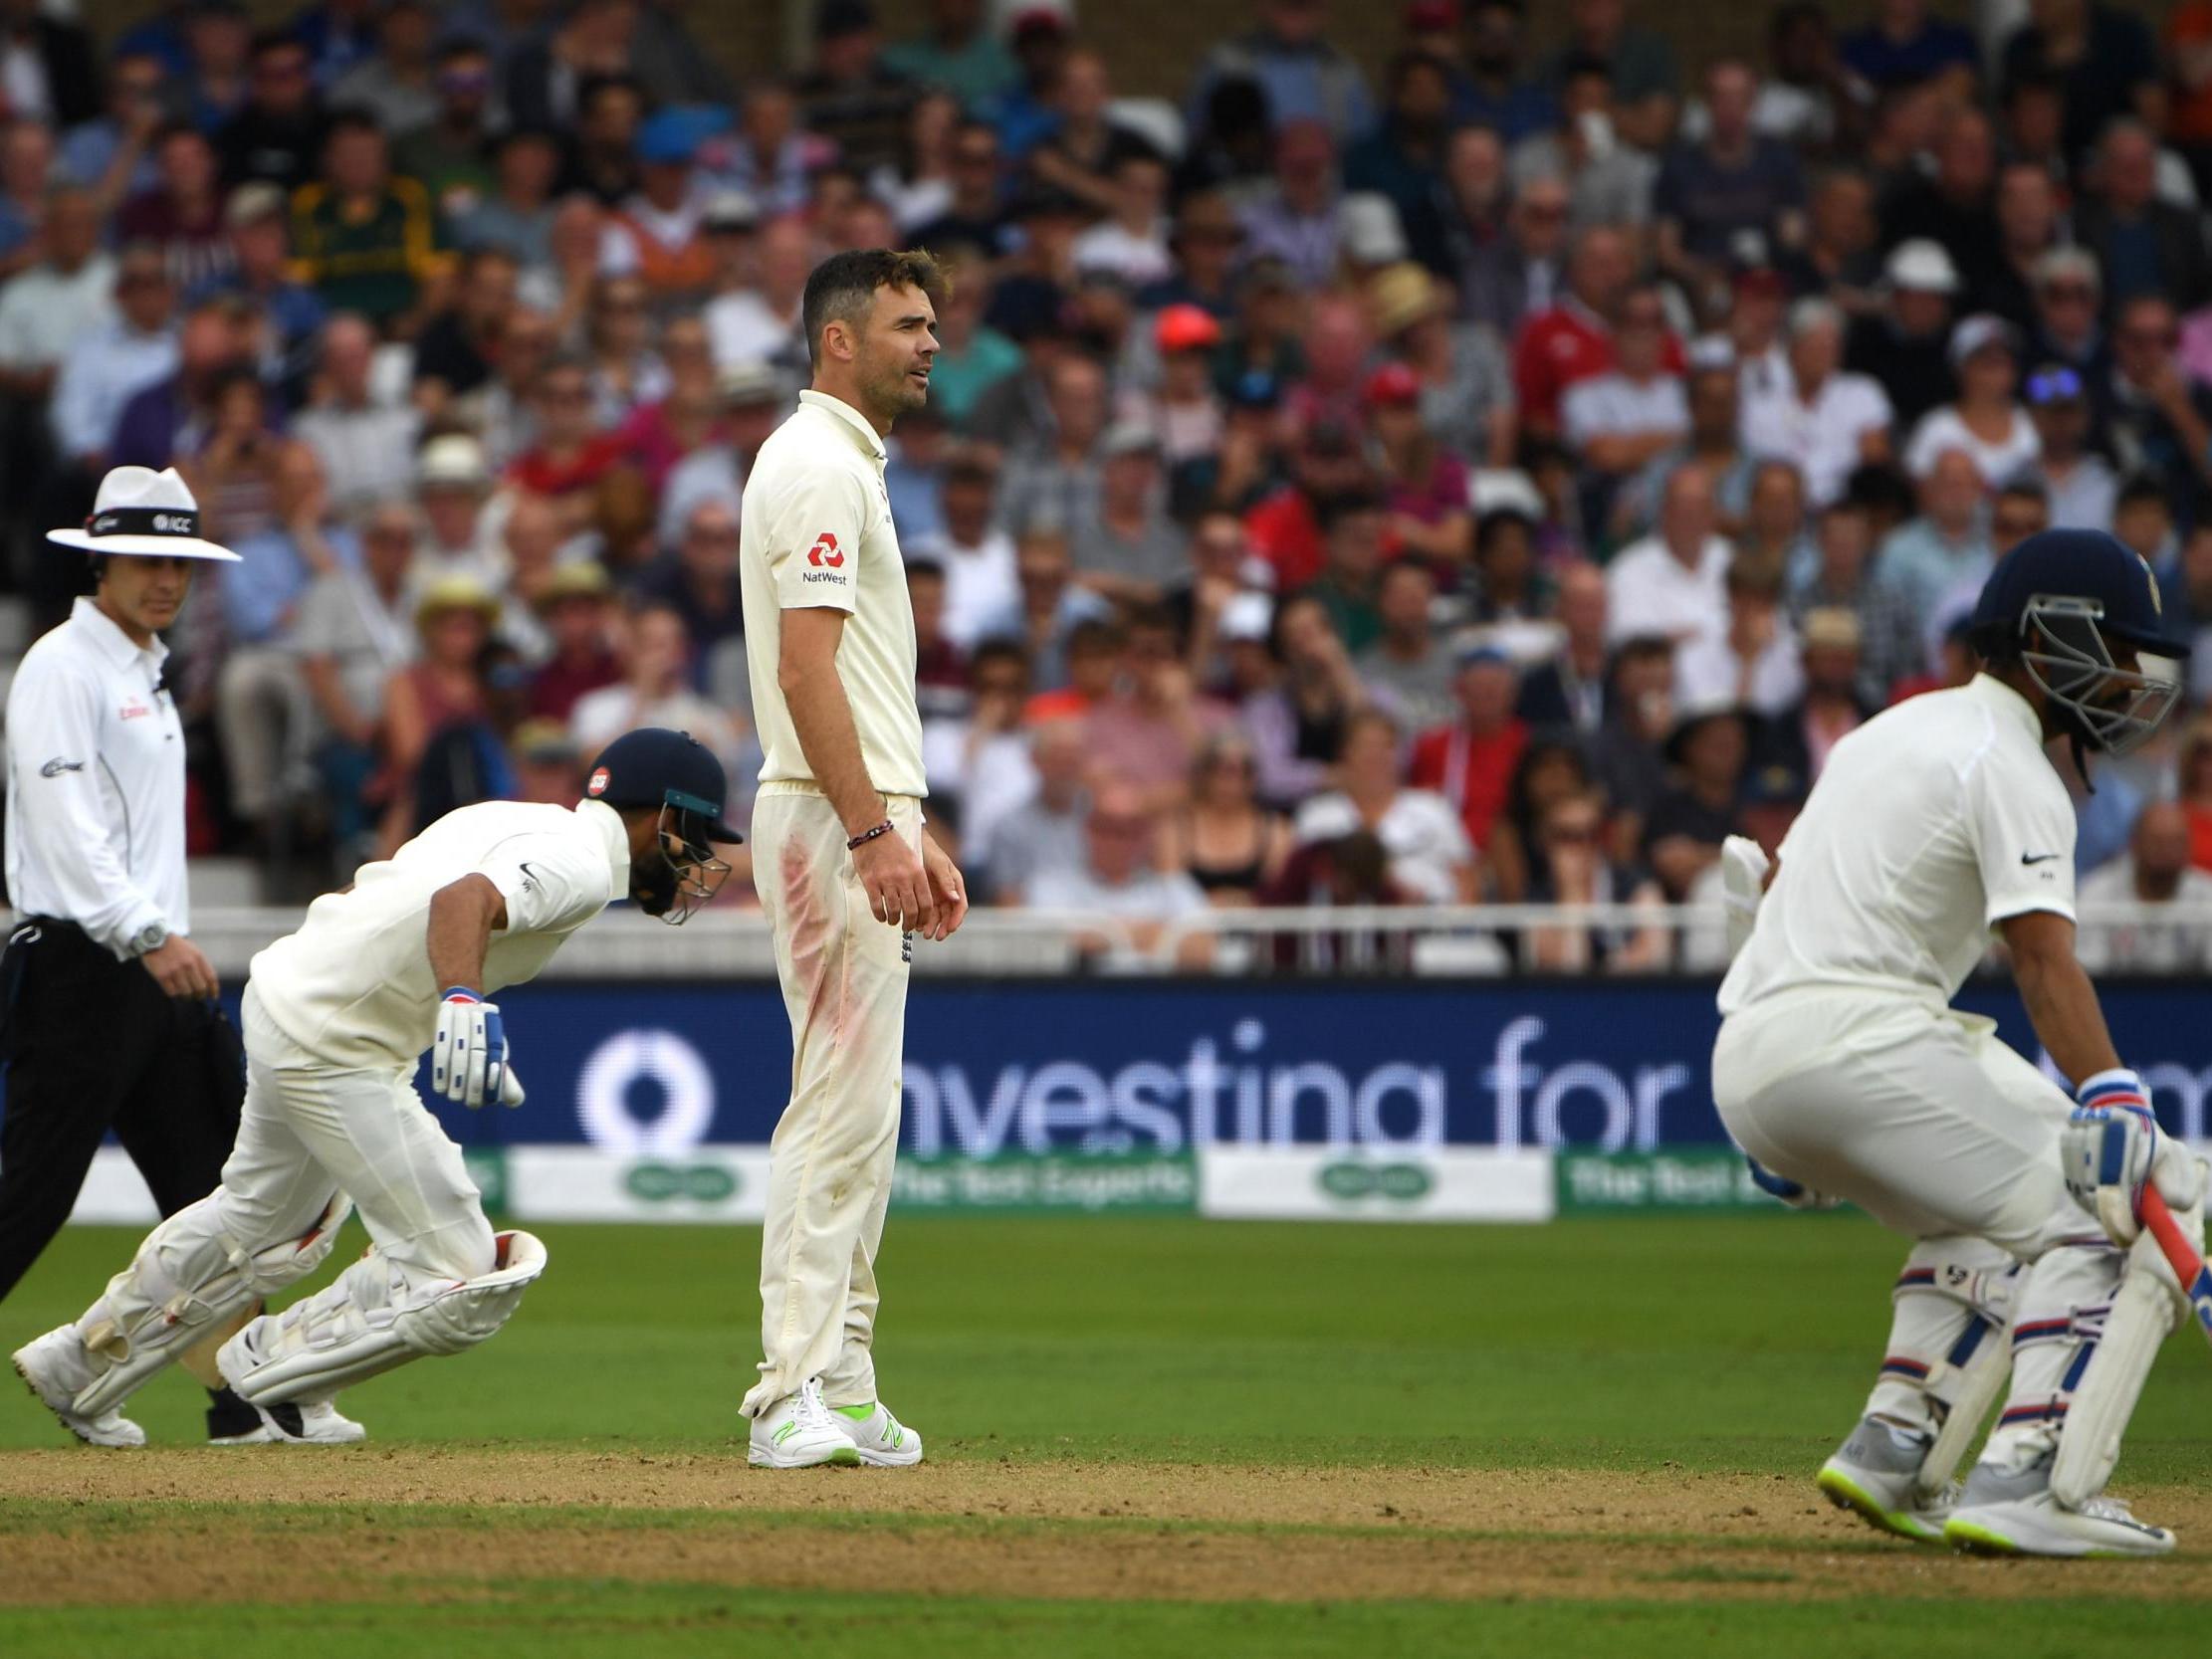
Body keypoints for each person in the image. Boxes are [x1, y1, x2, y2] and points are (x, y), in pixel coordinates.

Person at [12, 727, 740, 1449]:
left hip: (292, 999)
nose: (698, 861)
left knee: (265, 1229)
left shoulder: (520, 818)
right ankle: (279, 1375)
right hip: (334, 1042)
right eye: (697, 836)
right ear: (666, 815)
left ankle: (76, 1363)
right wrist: (461, 998)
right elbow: (461, 902)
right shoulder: (579, 863)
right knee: (463, 1273)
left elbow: (394, 893)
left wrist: (442, 1002)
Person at [1714, 527, 2202, 1557]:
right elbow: (2037, 957)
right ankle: (2033, 1478)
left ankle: (1897, 1438)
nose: (2127, 679)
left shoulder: (1884, 732)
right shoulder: (2010, 760)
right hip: (1859, 1039)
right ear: (2046, 639)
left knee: (1980, 1216)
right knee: (2115, 1195)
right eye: (2113, 650)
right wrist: (2112, 1096)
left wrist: (1774, 1119)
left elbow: (1778, 896)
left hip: (1751, 1051)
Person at [0, 463, 338, 1447]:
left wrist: (156, 946)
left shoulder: (135, 666)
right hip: (83, 964)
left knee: (221, 1194)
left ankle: (246, 1400)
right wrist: (147, 934)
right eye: (147, 559)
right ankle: (235, 1393)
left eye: (180, 562)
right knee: (33, 1191)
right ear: (102, 558)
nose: (165, 579)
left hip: (150, 971)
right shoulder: (63, 665)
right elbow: (67, 824)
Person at [738, 247, 967, 1470]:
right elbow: (804, 669)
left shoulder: (845, 463)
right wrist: (875, 829)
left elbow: (856, 682)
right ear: (839, 339)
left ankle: (845, 1373)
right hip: (828, 818)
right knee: (835, 1103)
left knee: (863, 1108)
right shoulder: (819, 462)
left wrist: (907, 825)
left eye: (934, 324)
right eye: (907, 323)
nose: (931, 342)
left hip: (856, 810)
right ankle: (788, 1389)